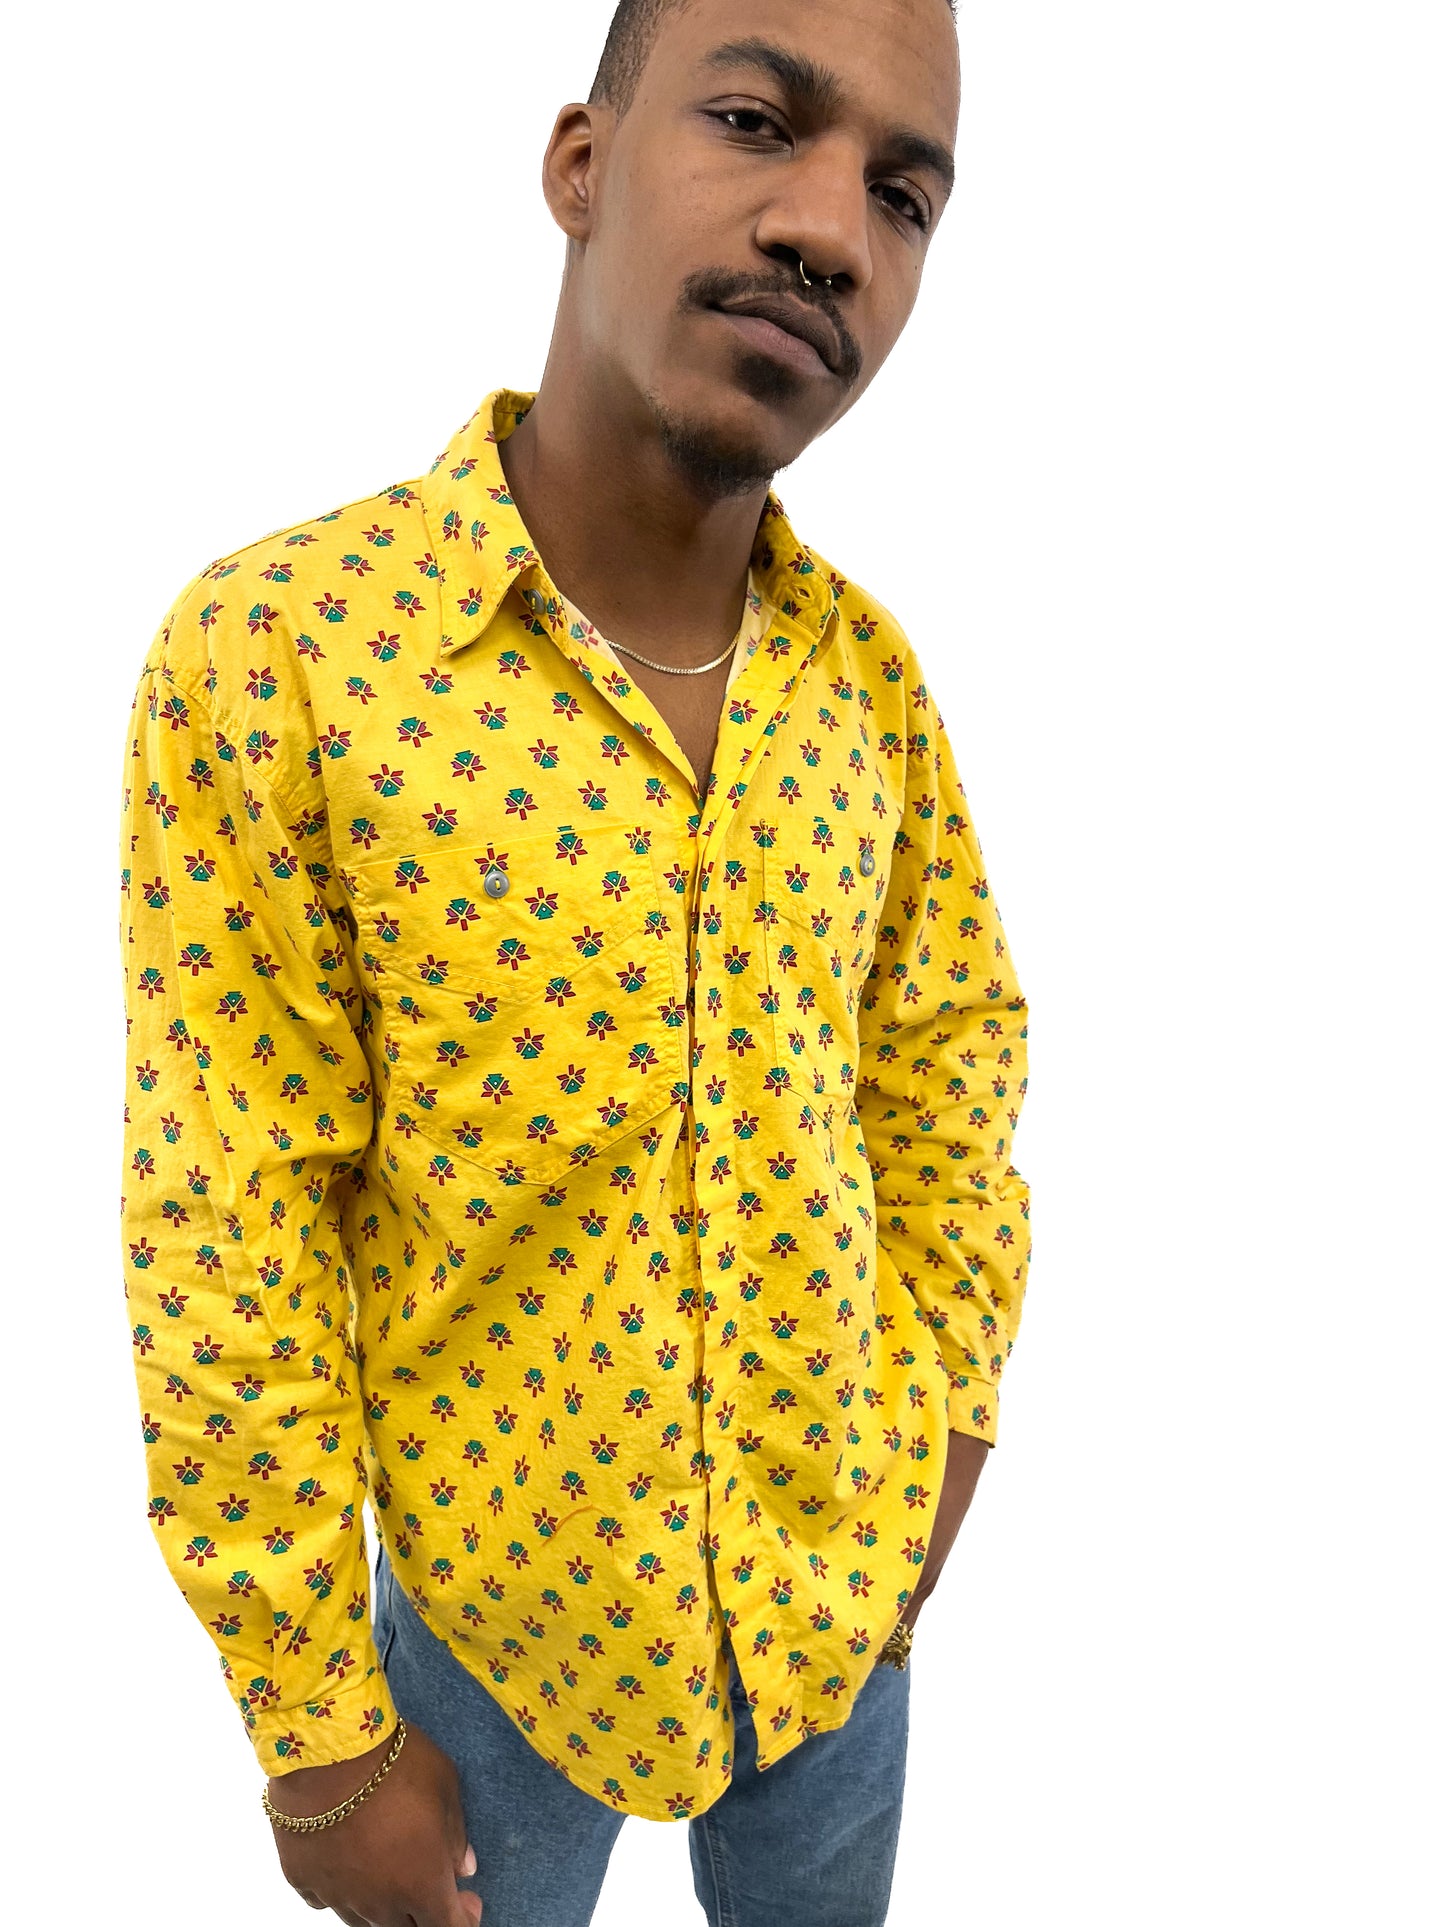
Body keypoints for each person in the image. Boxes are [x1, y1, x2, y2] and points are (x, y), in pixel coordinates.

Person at [117, 1, 1032, 1921]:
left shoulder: (868, 688)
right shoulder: (285, 656)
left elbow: (948, 1065)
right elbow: (232, 1218)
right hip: (492, 1652)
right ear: (581, 164)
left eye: (903, 196)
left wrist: (946, 1432)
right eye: (754, 120)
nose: (829, 232)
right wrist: (320, 1736)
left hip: (835, 1618)